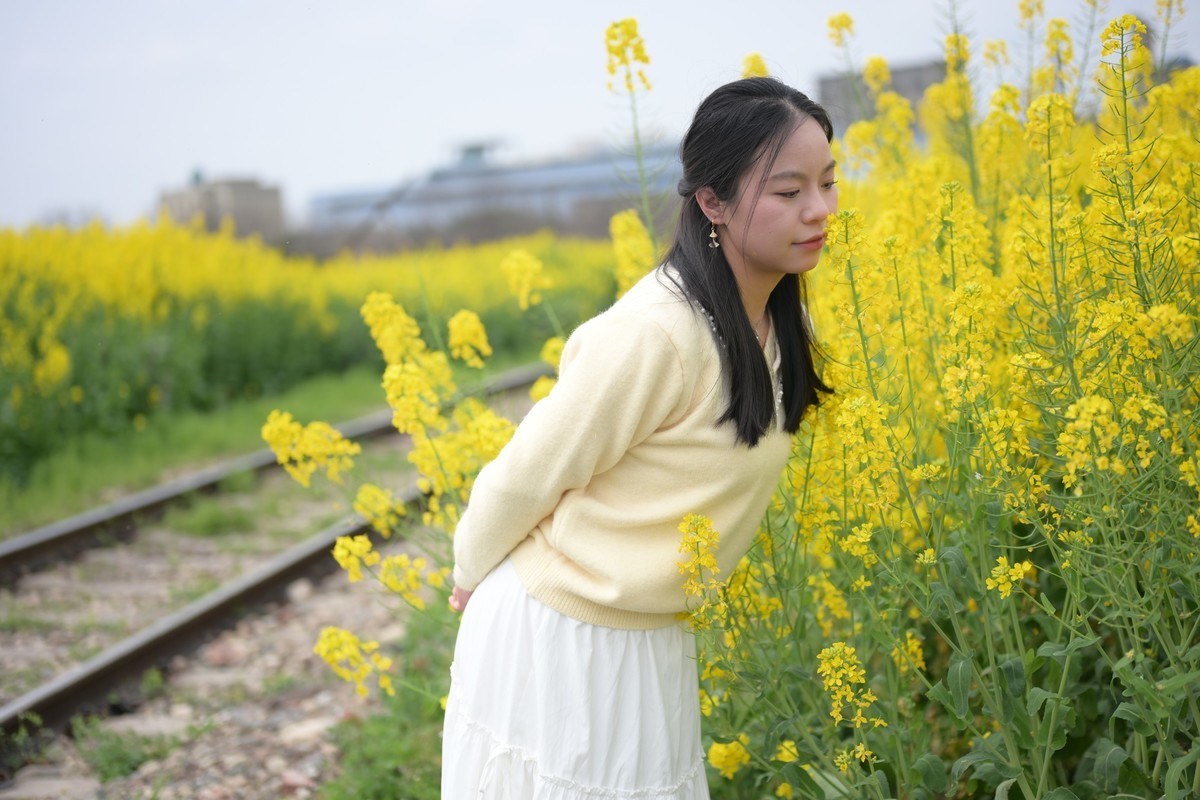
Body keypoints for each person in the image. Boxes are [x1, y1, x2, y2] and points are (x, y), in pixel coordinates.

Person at [441, 76, 838, 798]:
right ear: (712, 204)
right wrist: (469, 571)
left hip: (649, 638)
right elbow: (527, 472)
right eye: (788, 193)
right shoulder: (656, 334)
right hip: (559, 638)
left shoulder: (779, 324)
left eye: (828, 183)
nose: (818, 210)